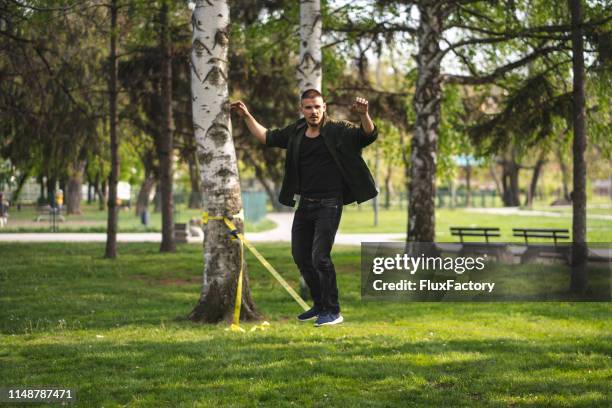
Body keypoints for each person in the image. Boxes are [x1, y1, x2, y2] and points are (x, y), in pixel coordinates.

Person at [231, 89, 378, 327]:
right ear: (302, 109)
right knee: (300, 255)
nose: (313, 112)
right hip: (305, 204)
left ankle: (333, 310)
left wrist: (364, 115)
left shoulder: (338, 129)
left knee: (320, 257)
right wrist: (247, 115)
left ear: (324, 107)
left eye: (317, 107)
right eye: (308, 107)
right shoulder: (297, 131)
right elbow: (267, 137)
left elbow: (367, 136)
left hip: (330, 203)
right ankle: (320, 305)